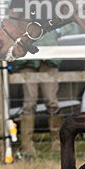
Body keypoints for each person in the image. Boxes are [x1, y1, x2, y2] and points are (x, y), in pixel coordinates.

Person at [11, 29, 63, 157]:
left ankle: (57, 143)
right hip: (27, 61)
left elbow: (69, 20)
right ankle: (27, 145)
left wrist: (58, 30)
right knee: (29, 103)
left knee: (52, 101)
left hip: (50, 59)